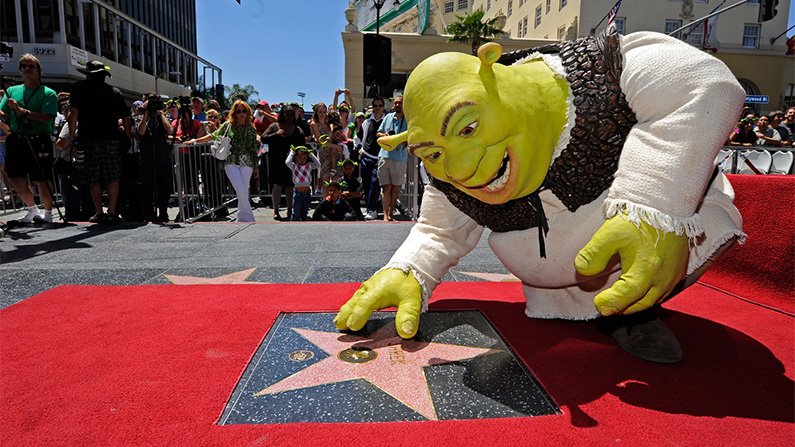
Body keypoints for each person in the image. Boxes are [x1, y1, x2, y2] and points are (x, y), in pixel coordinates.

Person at [67, 60, 132, 223]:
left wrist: (72, 136)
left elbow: (73, 112)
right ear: (104, 76)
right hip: (111, 138)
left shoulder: (78, 88)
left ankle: (99, 211)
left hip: (87, 138)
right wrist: (128, 136)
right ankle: (111, 211)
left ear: (88, 74)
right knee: (112, 176)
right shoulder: (114, 91)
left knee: (93, 177)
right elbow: (126, 117)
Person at [0, 54, 58, 223]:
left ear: (38, 70)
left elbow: (47, 117)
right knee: (16, 178)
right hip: (16, 139)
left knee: (42, 178)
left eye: (31, 66)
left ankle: (48, 213)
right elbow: (4, 114)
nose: (27, 69)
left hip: (39, 140)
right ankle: (32, 209)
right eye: (23, 66)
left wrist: (22, 111)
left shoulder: (48, 93)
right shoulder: (12, 91)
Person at [186, 100, 259, 222]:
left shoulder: (251, 129)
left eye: (244, 111)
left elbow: (252, 149)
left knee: (244, 189)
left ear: (248, 112)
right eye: (238, 111)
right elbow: (213, 136)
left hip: (247, 162)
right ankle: (249, 217)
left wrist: (256, 166)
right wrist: (195, 141)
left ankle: (241, 218)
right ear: (234, 113)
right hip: (230, 161)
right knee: (240, 189)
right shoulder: (228, 125)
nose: (241, 113)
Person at [262, 103, 304, 220]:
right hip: (276, 161)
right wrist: (276, 134)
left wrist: (296, 154)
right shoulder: (274, 126)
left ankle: (290, 209)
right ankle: (276, 210)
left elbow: (302, 146)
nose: (290, 117)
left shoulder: (297, 130)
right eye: (287, 115)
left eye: (292, 115)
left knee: (290, 186)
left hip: (292, 162)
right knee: (277, 186)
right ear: (282, 114)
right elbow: (263, 138)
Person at [137, 94, 174, 222]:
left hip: (161, 154)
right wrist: (145, 113)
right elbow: (141, 131)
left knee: (163, 184)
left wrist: (161, 114)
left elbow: (170, 130)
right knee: (148, 185)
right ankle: (149, 213)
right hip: (147, 154)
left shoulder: (161, 116)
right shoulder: (141, 115)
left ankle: (163, 211)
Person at [376, 95, 407, 221]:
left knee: (395, 187)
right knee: (386, 187)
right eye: (396, 103)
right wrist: (386, 136)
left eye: (400, 103)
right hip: (384, 156)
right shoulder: (388, 117)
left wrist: (397, 140)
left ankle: (390, 214)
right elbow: (378, 133)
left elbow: (409, 139)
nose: (398, 105)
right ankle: (385, 214)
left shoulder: (408, 120)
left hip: (399, 158)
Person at [359, 97, 386, 220]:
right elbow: (357, 138)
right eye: (375, 105)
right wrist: (359, 149)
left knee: (375, 183)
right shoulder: (366, 122)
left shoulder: (387, 121)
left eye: (380, 105)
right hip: (366, 157)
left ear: (383, 107)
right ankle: (369, 208)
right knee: (366, 184)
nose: (377, 108)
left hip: (380, 157)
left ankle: (372, 209)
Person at [310, 102, 343, 198]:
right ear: (316, 112)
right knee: (326, 182)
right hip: (324, 154)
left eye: (324, 112)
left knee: (336, 181)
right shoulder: (314, 124)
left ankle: (336, 203)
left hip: (335, 153)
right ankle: (326, 203)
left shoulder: (330, 123)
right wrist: (336, 147)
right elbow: (322, 142)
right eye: (320, 112)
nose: (322, 114)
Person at [285, 145, 320, 221]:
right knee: (296, 212)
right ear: (296, 158)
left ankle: (304, 224)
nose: (302, 160)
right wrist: (292, 152)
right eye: (300, 158)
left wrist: (310, 154)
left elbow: (318, 164)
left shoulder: (309, 165)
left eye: (304, 158)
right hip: (298, 192)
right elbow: (287, 162)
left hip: (307, 192)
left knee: (305, 211)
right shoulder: (294, 166)